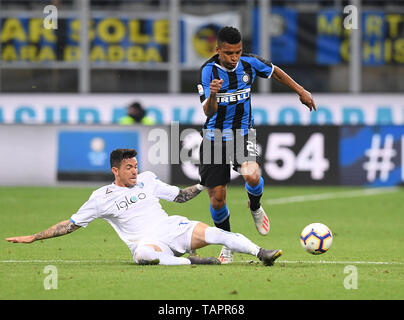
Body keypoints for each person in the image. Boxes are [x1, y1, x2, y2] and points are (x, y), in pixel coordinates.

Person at [5, 148, 282, 266]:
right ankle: (190, 261)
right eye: (129, 167)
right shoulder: (101, 196)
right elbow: (71, 224)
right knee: (144, 256)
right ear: (115, 170)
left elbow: (180, 197)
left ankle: (262, 253)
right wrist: (35, 236)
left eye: (136, 166)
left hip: (171, 227)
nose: (135, 171)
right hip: (146, 241)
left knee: (218, 234)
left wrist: (201, 184)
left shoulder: (148, 180)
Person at [197, 26, 316, 263]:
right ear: (218, 50)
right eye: (229, 53)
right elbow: (208, 112)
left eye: (238, 52)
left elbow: (275, 72)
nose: (234, 58)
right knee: (217, 199)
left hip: (243, 133)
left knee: (252, 175)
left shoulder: (249, 63)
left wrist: (300, 91)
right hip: (214, 138)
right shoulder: (207, 71)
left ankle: (255, 206)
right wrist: (213, 95)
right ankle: (228, 241)